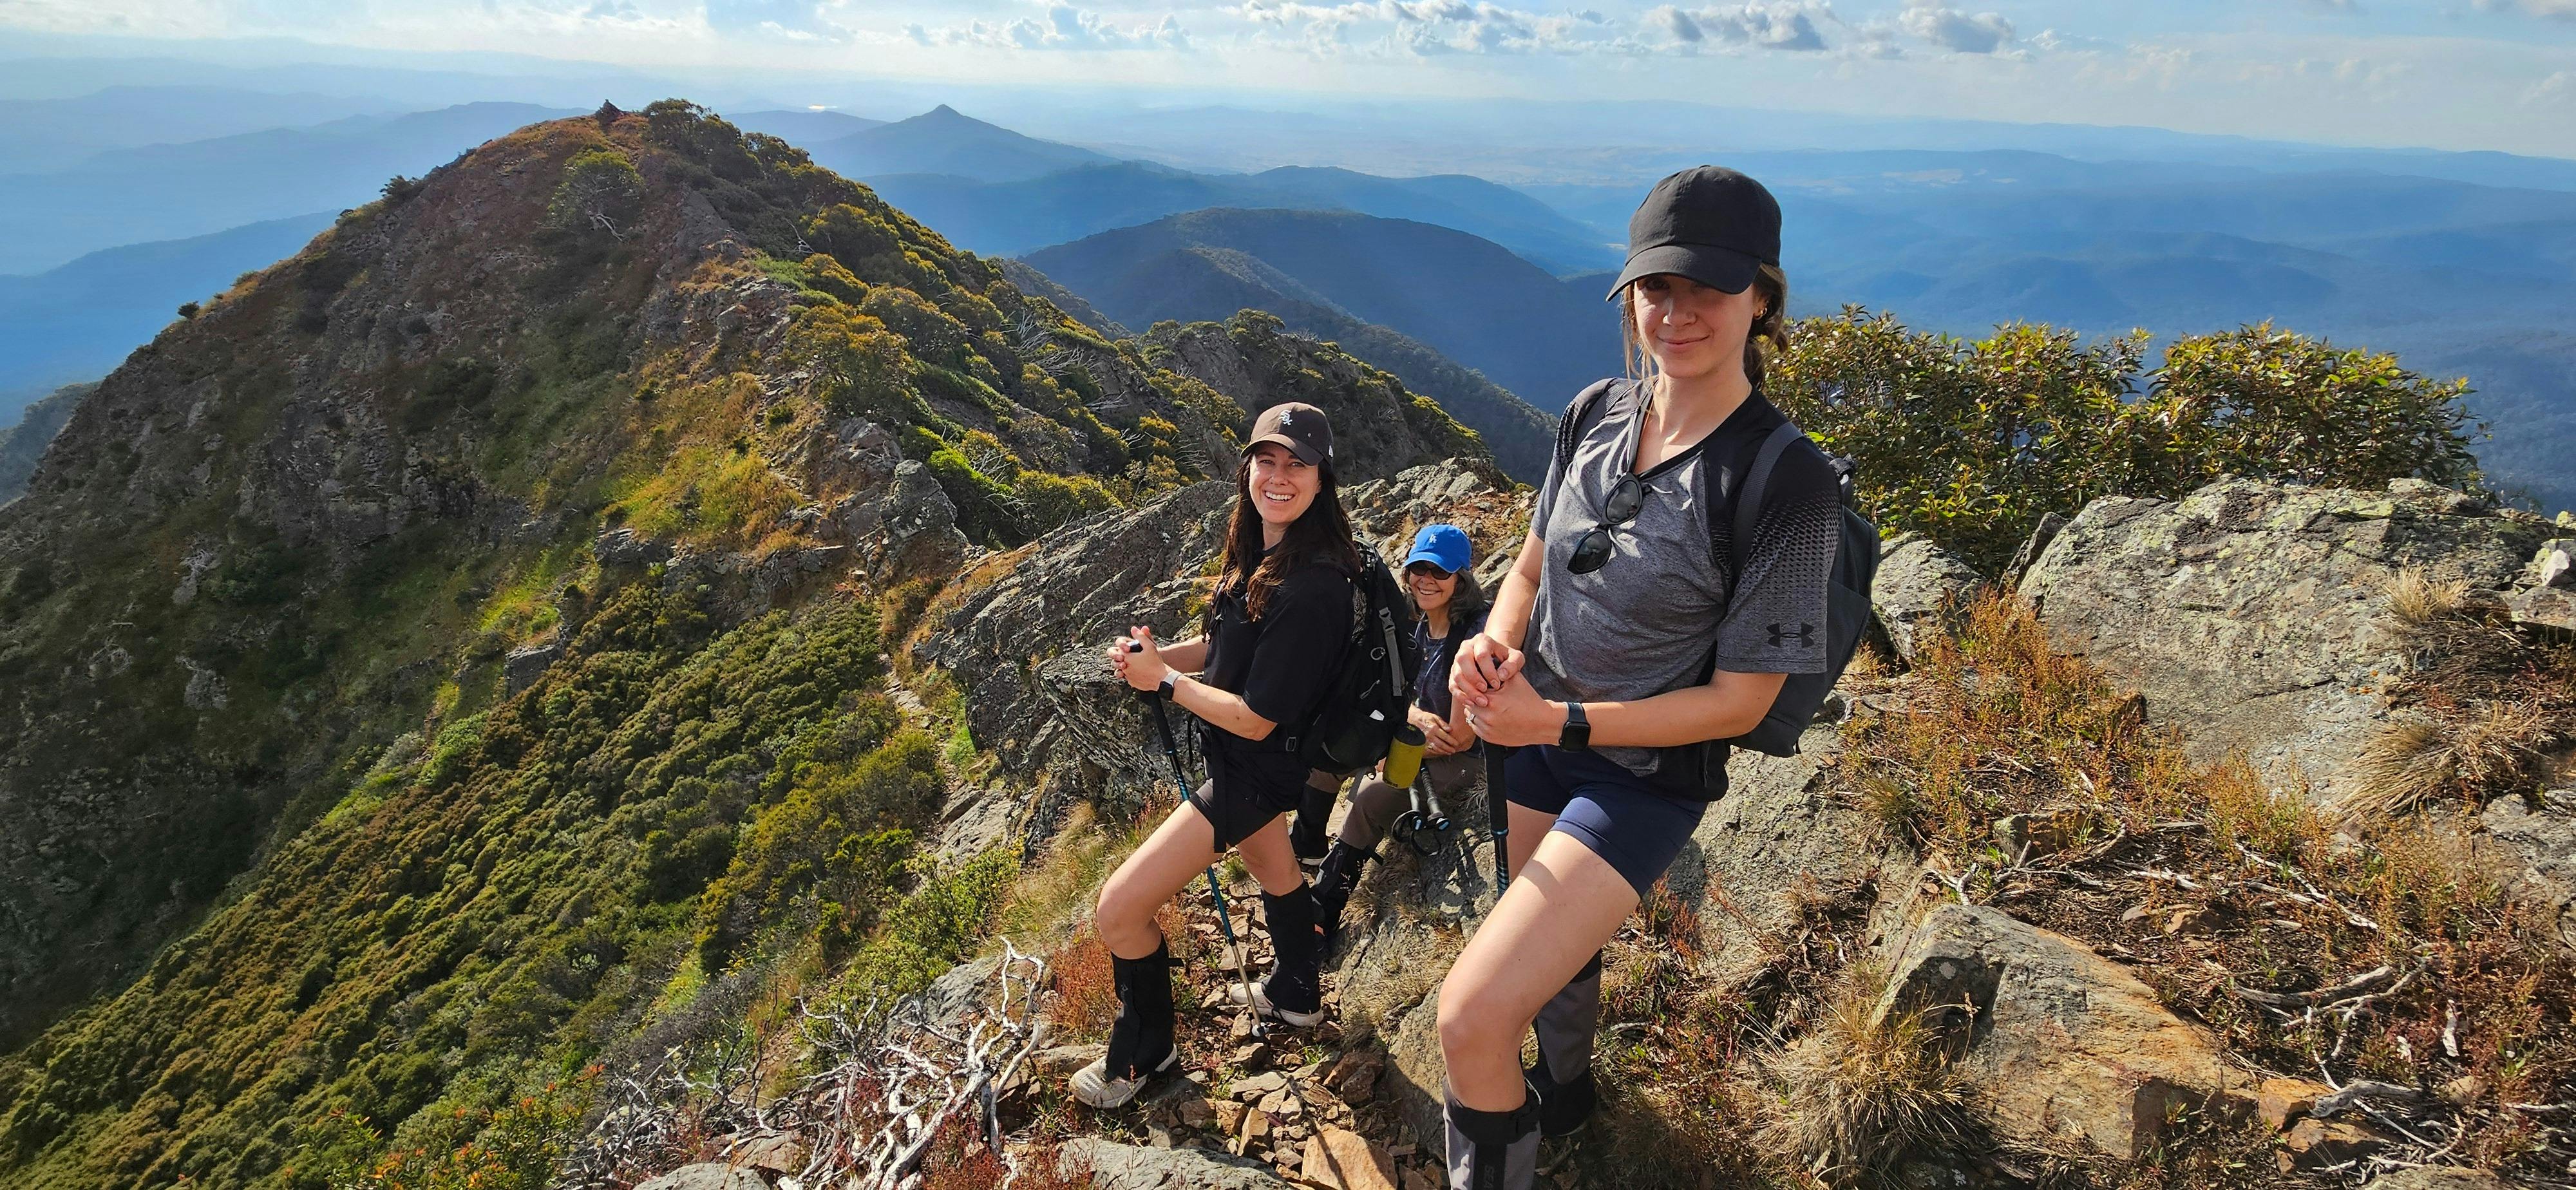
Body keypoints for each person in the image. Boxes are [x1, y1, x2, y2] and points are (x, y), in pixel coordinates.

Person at [1437, 165, 1843, 1187]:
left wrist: (1555, 722)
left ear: (1764, 298)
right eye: (1657, 287)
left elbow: (1741, 702)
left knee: (1470, 1016)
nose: (1677, 311)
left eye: (1710, 287)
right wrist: (1493, 644)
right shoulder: (1595, 411)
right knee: (1550, 948)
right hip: (1534, 733)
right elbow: (1530, 566)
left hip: (1641, 776)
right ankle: (1568, 1090)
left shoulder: (1786, 480)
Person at [1071, 401, 1361, 1109]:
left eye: (1297, 465)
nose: (1278, 476)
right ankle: (1297, 992)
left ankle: (1145, 1056)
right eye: (1267, 460)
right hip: (1245, 761)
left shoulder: (1314, 588)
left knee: (1119, 910)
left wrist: (1165, 684)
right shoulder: (1265, 550)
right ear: (1247, 469)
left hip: (1256, 768)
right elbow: (1228, 647)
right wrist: (1158, 659)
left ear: (1322, 479)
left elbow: (1258, 719)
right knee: (1274, 866)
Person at [1307, 523, 1490, 949]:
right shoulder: (1419, 630)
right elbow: (1402, 698)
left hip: (1472, 756)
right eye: (1418, 569)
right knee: (1329, 758)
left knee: (1370, 799)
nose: (1426, 580)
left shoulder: (1474, 634)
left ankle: (1323, 909)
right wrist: (1414, 717)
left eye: (1439, 572)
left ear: (1461, 579)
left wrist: (1397, 748)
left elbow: (1460, 738)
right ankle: (1307, 845)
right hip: (1425, 742)